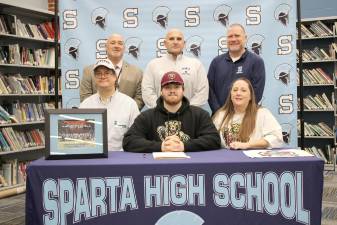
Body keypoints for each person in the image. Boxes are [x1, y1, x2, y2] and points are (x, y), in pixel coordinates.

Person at [123, 71, 220, 153]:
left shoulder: (200, 115)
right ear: (161, 91)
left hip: (191, 169)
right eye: (168, 87)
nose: (172, 91)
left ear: (183, 90)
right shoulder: (146, 116)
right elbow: (129, 141)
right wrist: (161, 146)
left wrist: (184, 146)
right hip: (156, 169)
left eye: (176, 87)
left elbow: (214, 139)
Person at [80, 59, 139, 151]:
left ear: (115, 77)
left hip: (122, 158)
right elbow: (80, 136)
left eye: (107, 73)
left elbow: (137, 135)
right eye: (98, 73)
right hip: (92, 156)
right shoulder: (86, 104)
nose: (102, 76)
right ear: (94, 78)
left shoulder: (129, 104)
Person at [141, 28, 209, 108]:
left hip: (190, 116)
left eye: (179, 39)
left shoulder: (196, 65)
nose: (175, 42)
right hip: (159, 116)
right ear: (165, 43)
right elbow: (147, 91)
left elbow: (202, 92)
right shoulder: (153, 65)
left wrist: (188, 111)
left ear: (184, 43)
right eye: (171, 39)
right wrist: (161, 110)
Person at [208, 23, 266, 114]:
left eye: (237, 36)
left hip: (246, 117)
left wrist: (242, 113)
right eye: (230, 36)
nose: (233, 39)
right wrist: (219, 112)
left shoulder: (256, 62)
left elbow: (256, 93)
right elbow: (209, 90)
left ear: (245, 38)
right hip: (220, 117)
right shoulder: (216, 62)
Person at [212, 78, 283, 150]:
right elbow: (211, 139)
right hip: (226, 158)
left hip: (253, 159)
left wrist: (247, 145)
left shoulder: (262, 113)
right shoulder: (220, 115)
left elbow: (276, 137)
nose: (238, 93)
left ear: (250, 96)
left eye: (243, 90)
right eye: (235, 90)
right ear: (230, 95)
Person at [80, 34, 144, 109]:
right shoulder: (89, 71)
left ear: (124, 48)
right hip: (99, 118)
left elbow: (140, 98)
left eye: (120, 43)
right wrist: (102, 114)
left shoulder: (137, 72)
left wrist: (126, 111)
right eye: (112, 43)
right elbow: (85, 97)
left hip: (126, 118)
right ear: (106, 47)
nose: (116, 46)